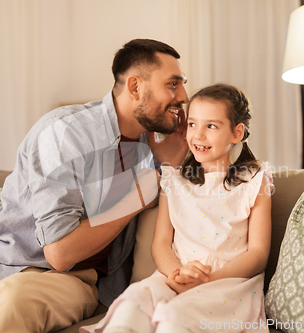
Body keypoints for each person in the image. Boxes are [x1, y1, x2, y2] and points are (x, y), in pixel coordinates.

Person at [0, 39, 189, 333]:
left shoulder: (153, 153)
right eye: (172, 84)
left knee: (11, 300)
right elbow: (61, 247)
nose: (183, 96)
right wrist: (136, 198)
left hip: (69, 279)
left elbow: (60, 260)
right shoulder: (66, 132)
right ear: (135, 87)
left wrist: (168, 164)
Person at [81, 83, 273, 333]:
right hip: (175, 275)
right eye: (192, 124)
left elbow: (258, 254)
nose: (198, 135)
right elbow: (160, 243)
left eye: (211, 126)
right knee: (134, 300)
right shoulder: (174, 181)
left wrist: (207, 280)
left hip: (227, 283)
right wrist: (176, 274)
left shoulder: (255, 181)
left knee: (175, 317)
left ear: (237, 133)